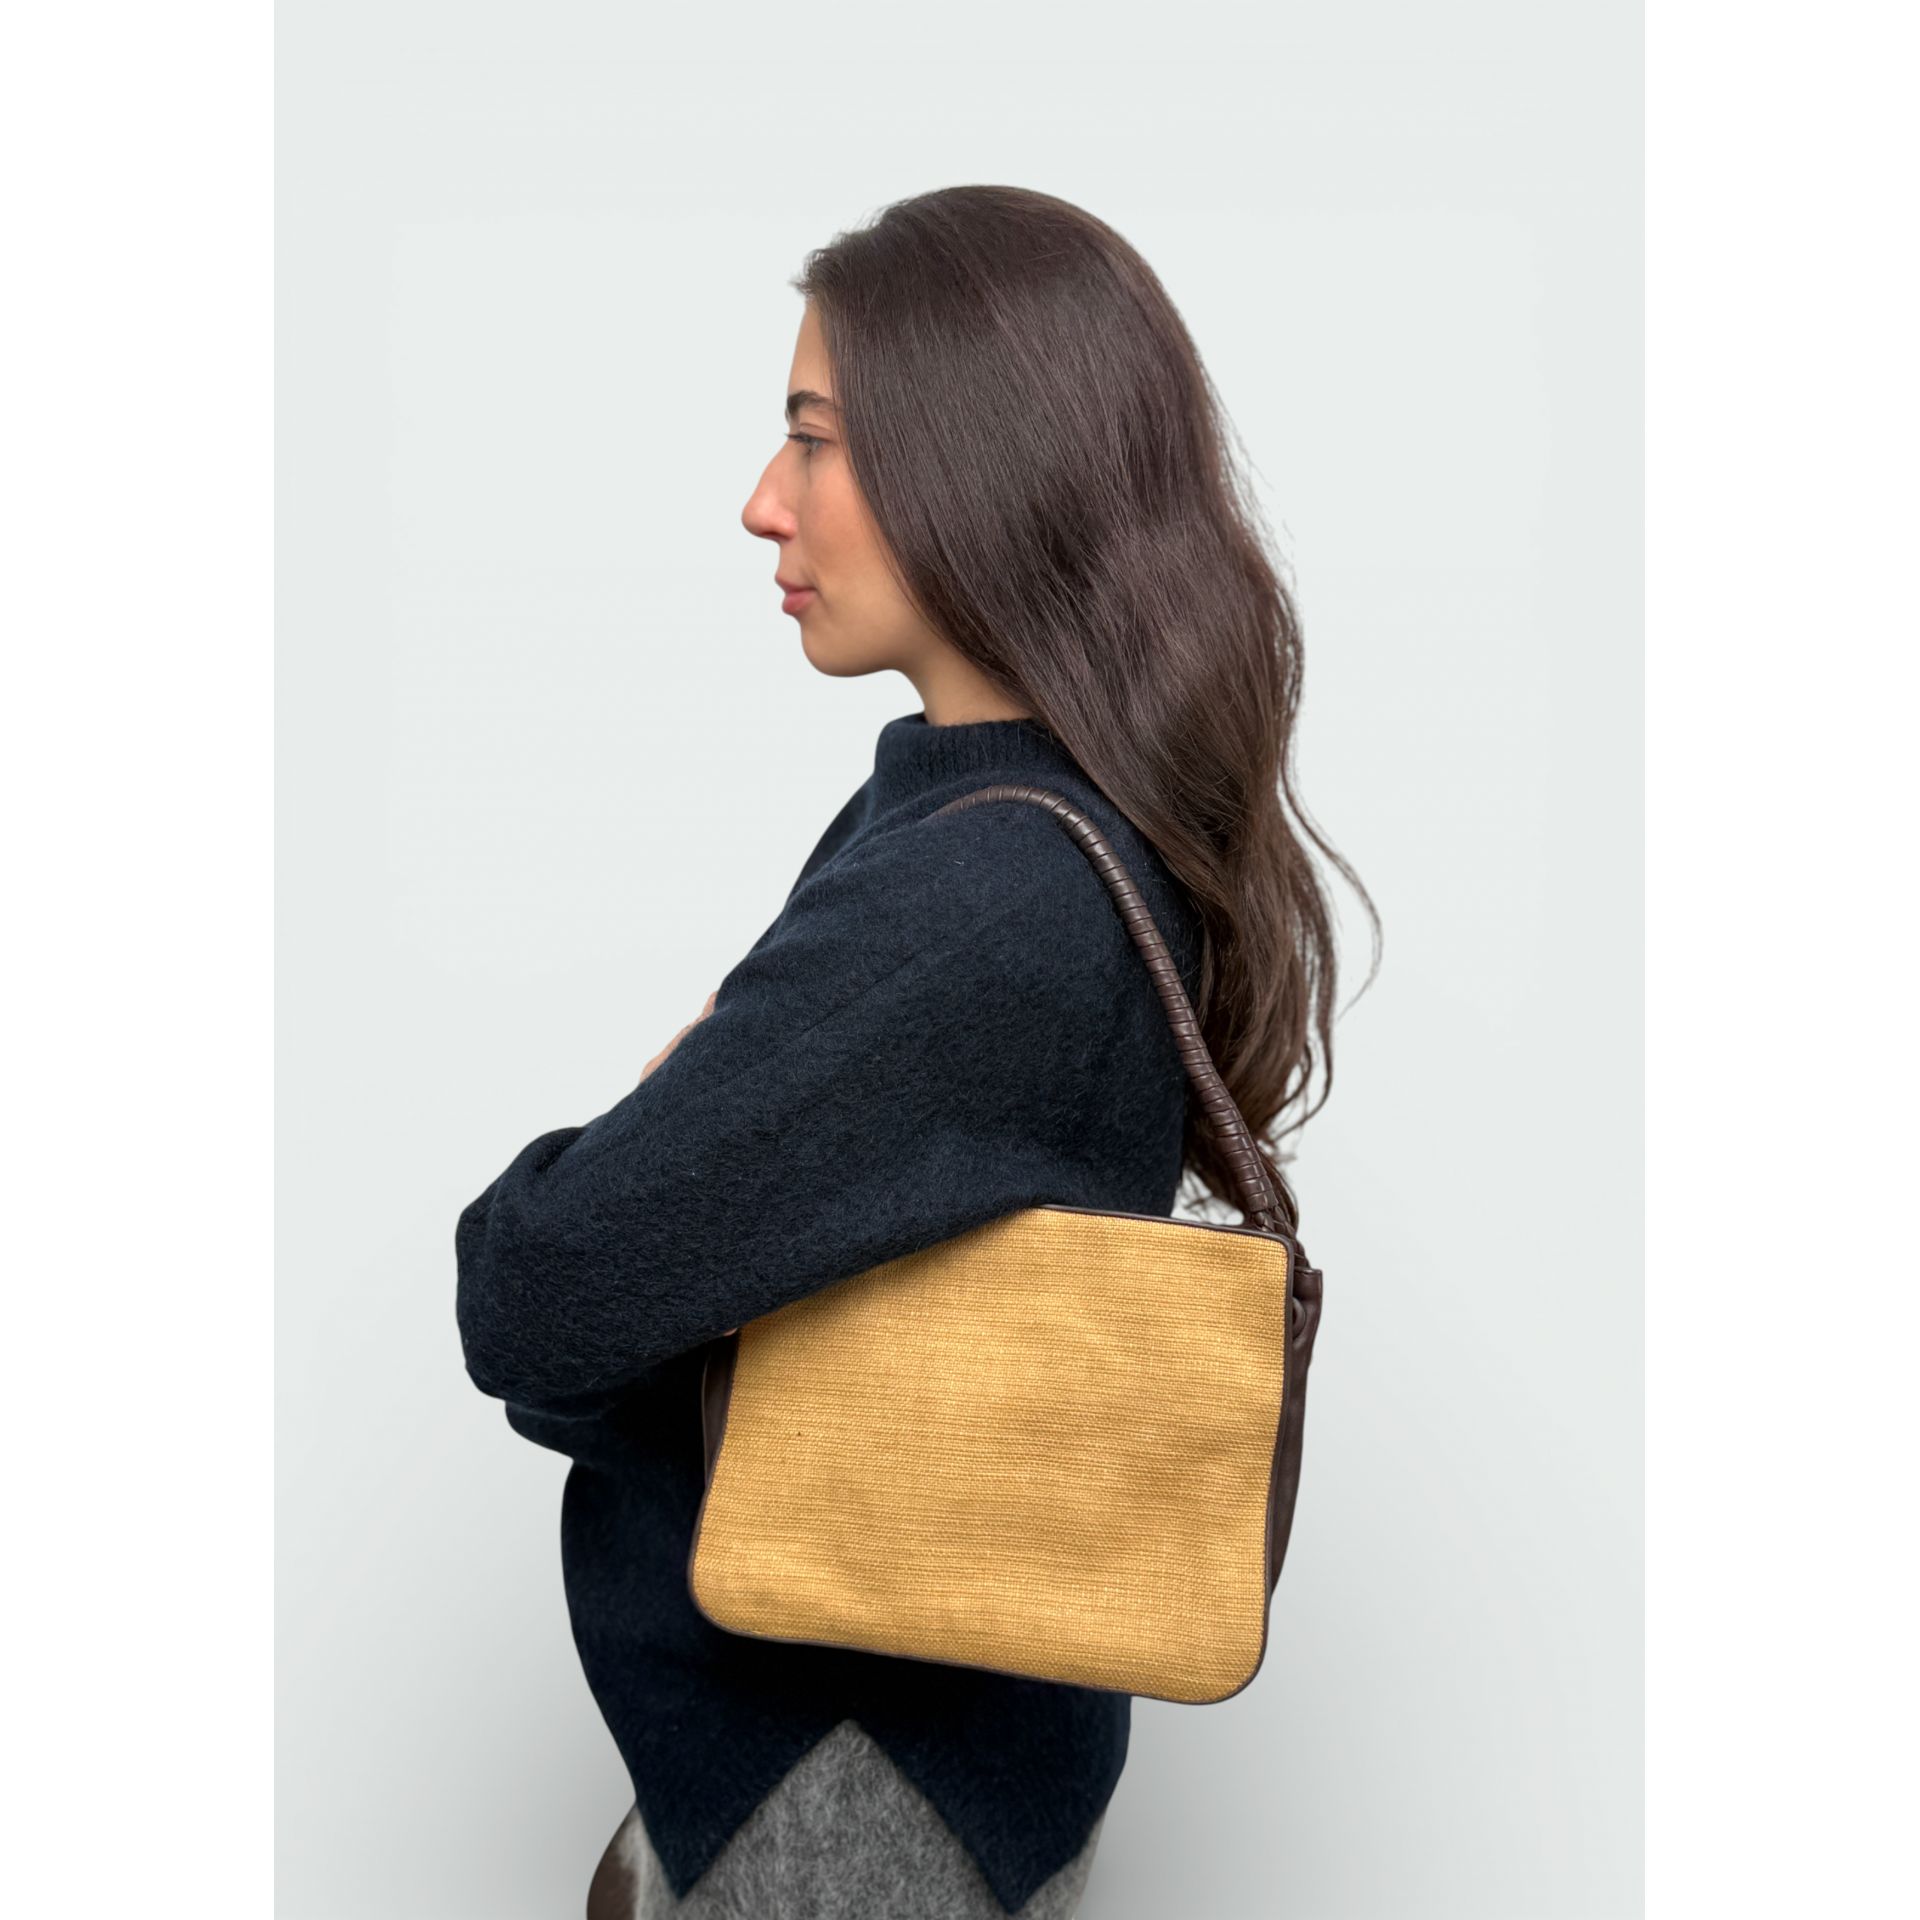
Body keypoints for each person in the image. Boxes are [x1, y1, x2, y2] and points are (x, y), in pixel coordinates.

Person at [455, 183, 1373, 1919]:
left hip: (845, 1808)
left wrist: (653, 1117)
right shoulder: (1025, 824)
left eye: (813, 438)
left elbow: (535, 1294)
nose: (764, 499)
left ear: (977, 466)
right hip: (902, 1763)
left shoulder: (982, 898)